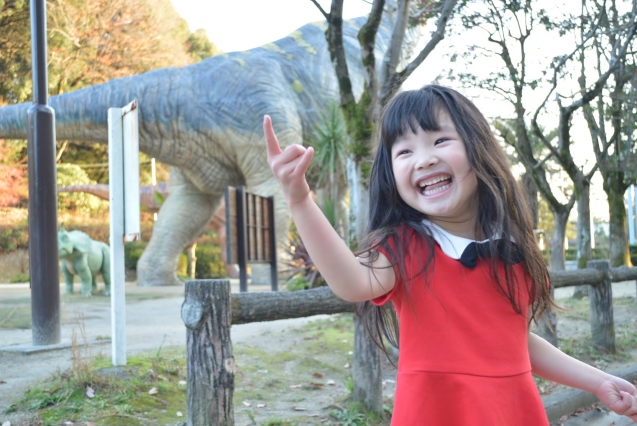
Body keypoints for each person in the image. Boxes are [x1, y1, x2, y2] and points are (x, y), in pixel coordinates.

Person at [263, 85, 637, 425]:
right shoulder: (406, 246)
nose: (423, 159)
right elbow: (352, 282)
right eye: (405, 151)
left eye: (440, 141)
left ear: (479, 148)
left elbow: (514, 341)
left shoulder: (513, 252)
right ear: (391, 174)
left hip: (513, 412)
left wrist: (599, 380)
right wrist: (300, 200)